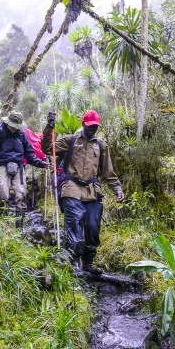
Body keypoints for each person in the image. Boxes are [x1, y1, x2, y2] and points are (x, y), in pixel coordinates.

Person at [42, 110, 125, 275]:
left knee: (93, 227)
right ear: (83, 124)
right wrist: (49, 127)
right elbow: (47, 148)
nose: (92, 129)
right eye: (89, 126)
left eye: (95, 127)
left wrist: (117, 188)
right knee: (74, 222)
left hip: (92, 190)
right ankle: (73, 263)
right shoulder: (71, 140)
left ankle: (88, 263)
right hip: (71, 186)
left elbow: (108, 171)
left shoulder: (101, 145)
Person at [0, 111, 48, 212]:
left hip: (19, 166)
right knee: (2, 192)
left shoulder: (22, 135)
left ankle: (20, 224)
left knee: (21, 192)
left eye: (16, 126)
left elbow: (30, 154)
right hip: (2, 164)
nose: (14, 128)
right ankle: (3, 222)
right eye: (13, 126)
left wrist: (40, 163)